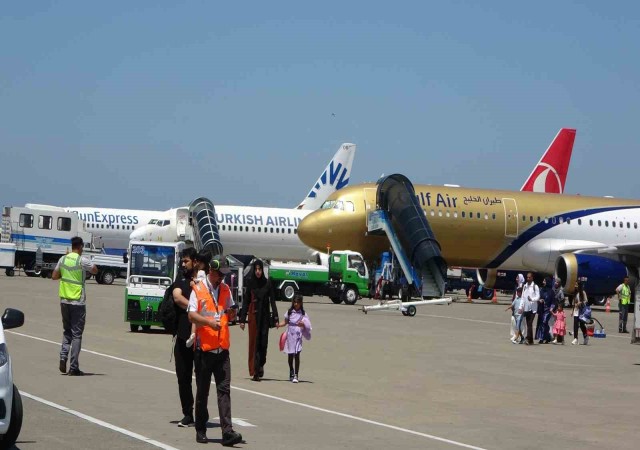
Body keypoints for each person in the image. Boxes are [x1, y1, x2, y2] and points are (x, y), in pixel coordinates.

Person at [188, 258, 242, 446]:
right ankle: (200, 429)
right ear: (211, 271)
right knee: (203, 392)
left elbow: (230, 309)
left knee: (224, 390)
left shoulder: (225, 289)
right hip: (204, 350)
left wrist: (233, 314)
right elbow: (191, 314)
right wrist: (209, 322)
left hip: (222, 349)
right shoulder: (199, 289)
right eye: (220, 274)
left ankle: (227, 432)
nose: (222, 278)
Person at [52, 236, 98, 376]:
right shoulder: (81, 260)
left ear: (72, 246)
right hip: (77, 301)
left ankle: (63, 356)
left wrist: (65, 273)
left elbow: (54, 276)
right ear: (81, 247)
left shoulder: (63, 259)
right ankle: (73, 367)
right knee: (77, 335)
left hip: (64, 300)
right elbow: (95, 270)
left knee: (67, 331)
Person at [238, 259, 279, 381]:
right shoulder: (250, 283)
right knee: (255, 343)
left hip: (265, 318)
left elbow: (272, 300)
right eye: (255, 269)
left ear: (262, 270)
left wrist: (276, 317)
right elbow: (246, 302)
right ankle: (255, 371)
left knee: (263, 343)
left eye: (259, 269)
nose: (257, 272)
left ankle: (261, 364)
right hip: (254, 317)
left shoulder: (267, 283)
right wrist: (242, 319)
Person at [171, 247, 198, 427]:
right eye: (182, 261)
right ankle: (188, 413)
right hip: (182, 336)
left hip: (201, 337)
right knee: (183, 377)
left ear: (195, 262)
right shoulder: (180, 279)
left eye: (186, 261)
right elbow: (177, 297)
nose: (183, 264)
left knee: (202, 379)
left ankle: (201, 413)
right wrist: (195, 308)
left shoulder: (201, 281)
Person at [276, 294, 312, 383]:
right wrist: (278, 325)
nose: (296, 304)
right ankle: (291, 371)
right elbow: (285, 322)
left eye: (298, 302)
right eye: (294, 302)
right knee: (290, 355)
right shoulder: (289, 312)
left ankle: (296, 375)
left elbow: (308, 325)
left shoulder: (303, 314)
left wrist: (303, 325)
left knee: (297, 355)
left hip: (298, 336)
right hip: (290, 335)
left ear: (301, 303)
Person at [186, 250, 211, 348]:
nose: (197, 263)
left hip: (201, 299)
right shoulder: (208, 273)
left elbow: (199, 283)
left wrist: (193, 283)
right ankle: (193, 335)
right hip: (205, 301)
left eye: (199, 261)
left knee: (195, 316)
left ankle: (193, 334)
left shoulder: (201, 272)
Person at [536, 277, 556, 344]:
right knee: (542, 323)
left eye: (544, 281)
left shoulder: (551, 291)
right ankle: (547, 337)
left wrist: (551, 308)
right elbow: (539, 297)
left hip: (548, 310)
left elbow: (553, 302)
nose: (543, 282)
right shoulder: (541, 290)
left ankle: (542, 338)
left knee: (544, 322)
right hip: (542, 309)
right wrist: (539, 300)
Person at [522, 272, 540, 345]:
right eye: (527, 277)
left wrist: (532, 299)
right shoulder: (525, 286)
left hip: (533, 308)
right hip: (526, 308)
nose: (528, 279)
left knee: (530, 323)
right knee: (528, 324)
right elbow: (523, 297)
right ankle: (531, 340)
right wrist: (521, 307)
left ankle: (527, 338)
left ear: (532, 278)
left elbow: (538, 296)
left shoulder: (535, 286)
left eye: (529, 277)